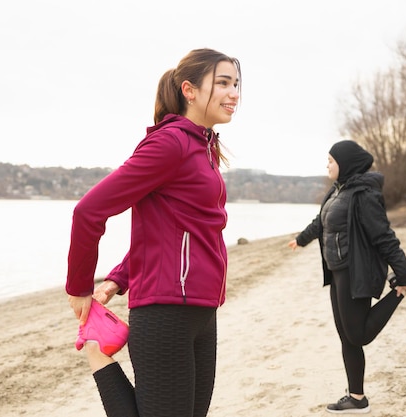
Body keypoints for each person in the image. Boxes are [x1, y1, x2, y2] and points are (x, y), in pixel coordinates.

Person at [65, 48, 241, 417]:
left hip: (202, 309)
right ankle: (98, 356)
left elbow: (174, 231)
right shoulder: (170, 143)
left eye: (236, 84)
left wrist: (116, 279)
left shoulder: (204, 148)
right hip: (165, 312)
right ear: (189, 90)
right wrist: (78, 287)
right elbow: (89, 211)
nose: (234, 93)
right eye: (223, 83)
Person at [287, 140, 406, 414]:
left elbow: (384, 236)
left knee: (359, 335)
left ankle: (401, 290)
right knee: (346, 337)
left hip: (356, 271)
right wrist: (302, 239)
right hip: (337, 271)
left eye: (331, 160)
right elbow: (322, 221)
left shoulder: (364, 194)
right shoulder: (338, 191)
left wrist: (405, 273)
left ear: (346, 163)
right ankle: (357, 397)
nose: (327, 164)